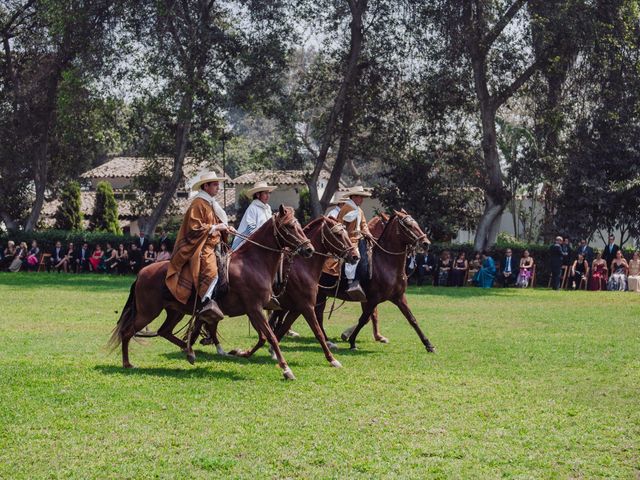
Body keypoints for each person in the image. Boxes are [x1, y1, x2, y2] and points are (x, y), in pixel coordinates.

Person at [166, 170, 235, 321]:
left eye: (218, 184)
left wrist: (226, 228)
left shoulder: (210, 204)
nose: (218, 187)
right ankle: (206, 302)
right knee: (212, 272)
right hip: (201, 246)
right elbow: (194, 228)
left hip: (214, 243)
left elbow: (215, 223)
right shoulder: (198, 203)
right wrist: (217, 228)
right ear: (206, 186)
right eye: (215, 185)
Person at [322, 185, 373, 302]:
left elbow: (364, 224)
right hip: (348, 239)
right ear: (354, 197)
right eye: (360, 197)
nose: (362, 200)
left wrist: (368, 233)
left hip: (359, 237)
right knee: (355, 256)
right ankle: (351, 282)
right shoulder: (346, 208)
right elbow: (340, 225)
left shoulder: (359, 210)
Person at [232, 181, 277, 250]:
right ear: (258, 195)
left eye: (268, 193)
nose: (268, 196)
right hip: (252, 246)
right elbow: (250, 229)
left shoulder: (268, 208)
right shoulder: (252, 208)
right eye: (265, 193)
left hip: (264, 244)